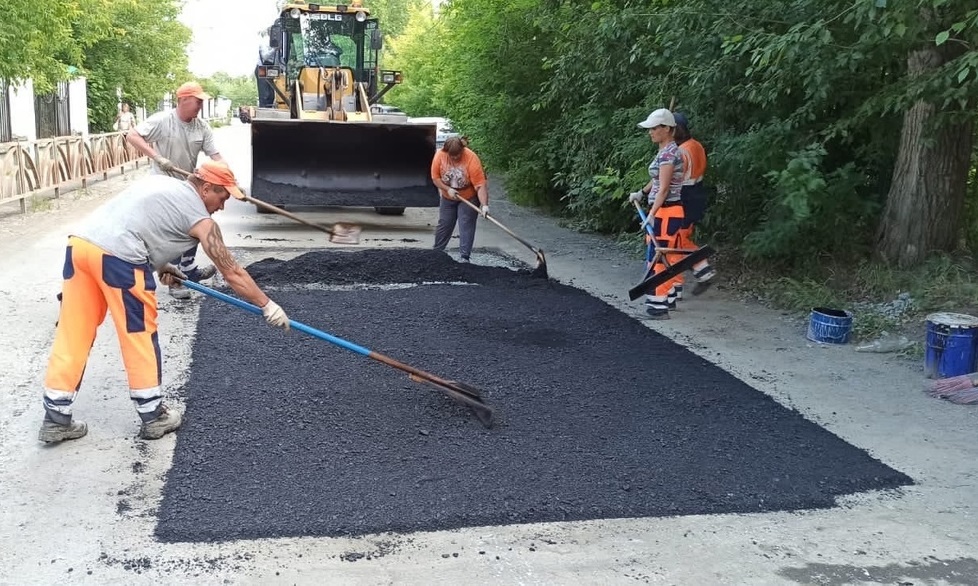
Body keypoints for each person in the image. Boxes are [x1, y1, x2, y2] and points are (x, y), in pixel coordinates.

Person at [38, 161, 291, 444]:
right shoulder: (201, 219)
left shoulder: (164, 183)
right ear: (206, 188)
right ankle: (153, 416)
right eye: (222, 196)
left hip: (81, 247)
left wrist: (160, 265)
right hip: (118, 259)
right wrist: (267, 305)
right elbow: (232, 272)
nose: (223, 205)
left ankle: (56, 418)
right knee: (139, 335)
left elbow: (141, 221)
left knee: (74, 332)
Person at [126, 81, 224, 300]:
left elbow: (215, 156)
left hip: (188, 185)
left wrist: (227, 176)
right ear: (182, 100)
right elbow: (132, 136)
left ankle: (188, 270)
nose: (200, 105)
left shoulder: (202, 127)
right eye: (197, 101)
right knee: (173, 235)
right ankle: (175, 281)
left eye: (201, 101)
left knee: (196, 226)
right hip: (162, 187)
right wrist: (157, 157)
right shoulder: (163, 120)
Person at [628, 108, 685, 319]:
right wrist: (641, 193)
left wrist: (652, 213)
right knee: (661, 255)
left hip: (667, 211)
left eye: (654, 128)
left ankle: (658, 308)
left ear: (667, 129)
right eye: (650, 128)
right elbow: (657, 180)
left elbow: (664, 188)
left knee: (659, 258)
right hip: (663, 210)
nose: (650, 132)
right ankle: (666, 300)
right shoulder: (664, 152)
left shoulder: (670, 153)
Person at [673, 112, 716, 297]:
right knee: (680, 239)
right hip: (697, 192)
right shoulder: (696, 145)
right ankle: (698, 272)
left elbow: (674, 179)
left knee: (676, 241)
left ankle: (699, 272)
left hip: (685, 196)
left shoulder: (682, 152)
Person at [431, 136, 489, 263]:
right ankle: (436, 254)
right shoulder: (439, 156)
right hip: (448, 196)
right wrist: (447, 189)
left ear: (462, 150)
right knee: (444, 224)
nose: (455, 158)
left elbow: (480, 185)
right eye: (452, 155)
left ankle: (464, 257)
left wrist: (484, 205)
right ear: (446, 152)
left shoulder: (471, 158)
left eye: (458, 155)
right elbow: (435, 178)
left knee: (466, 224)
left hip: (469, 197)